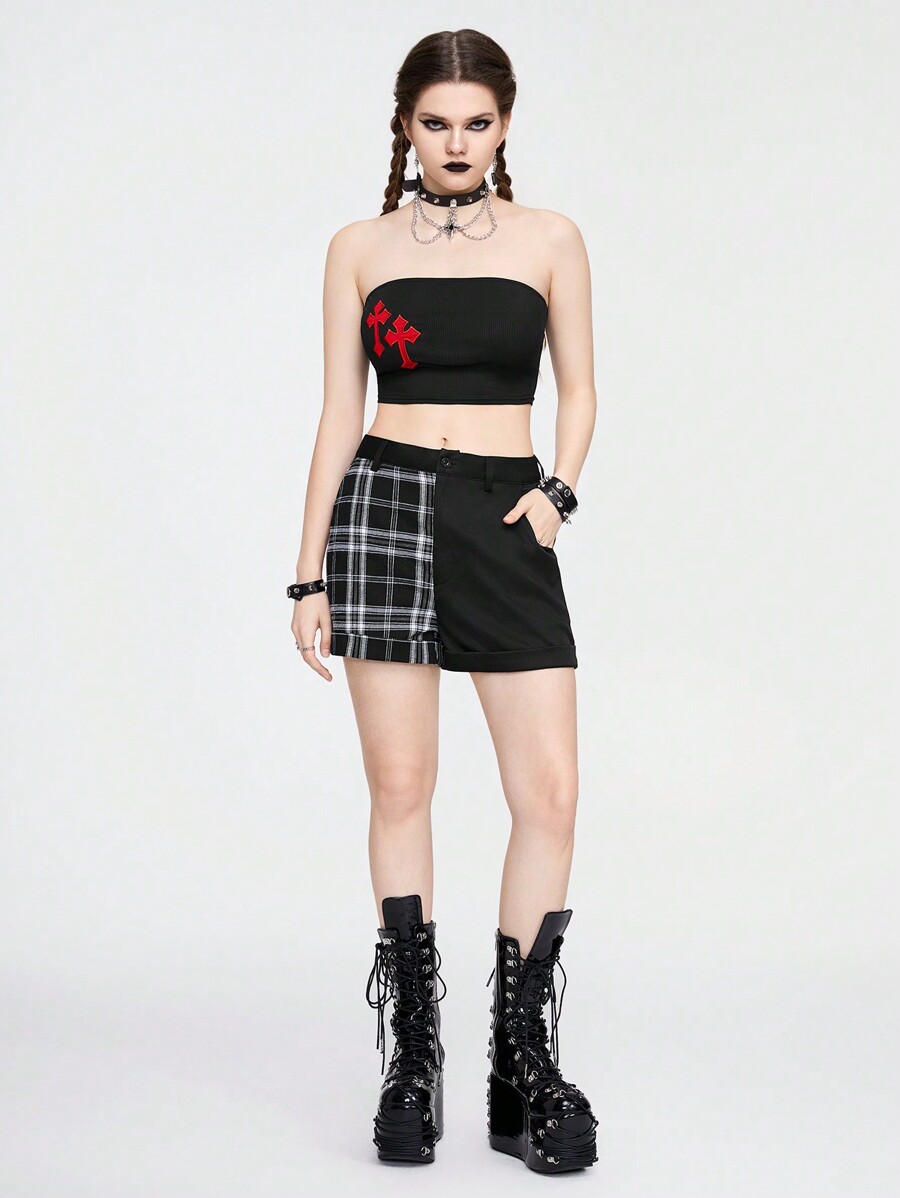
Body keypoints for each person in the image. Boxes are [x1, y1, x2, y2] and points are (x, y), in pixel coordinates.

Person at [288, 29, 598, 1172]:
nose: (456, 143)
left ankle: (524, 1065)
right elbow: (338, 411)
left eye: (476, 123)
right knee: (402, 784)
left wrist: (558, 493)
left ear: (504, 125)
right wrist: (308, 570)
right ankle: (412, 1064)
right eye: (435, 123)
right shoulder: (358, 247)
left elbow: (582, 387)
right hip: (383, 509)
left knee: (549, 793)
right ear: (405, 127)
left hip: (505, 516)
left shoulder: (550, 238)